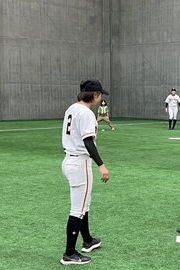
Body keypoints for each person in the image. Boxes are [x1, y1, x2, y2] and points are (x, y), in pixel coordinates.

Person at [60, 78, 110, 265]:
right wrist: (101, 165)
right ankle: (69, 254)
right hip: (80, 163)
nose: (100, 98)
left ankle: (88, 240)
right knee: (78, 209)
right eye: (100, 94)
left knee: (83, 205)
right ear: (95, 94)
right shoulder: (87, 113)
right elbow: (88, 141)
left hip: (69, 160)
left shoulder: (72, 108)